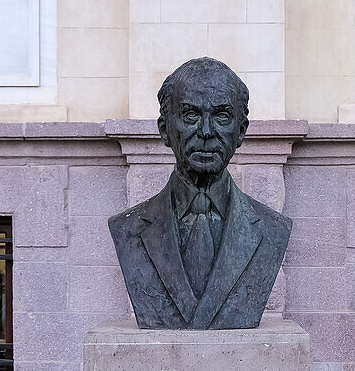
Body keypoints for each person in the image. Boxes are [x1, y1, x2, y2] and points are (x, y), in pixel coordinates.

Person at [108, 57, 292, 329]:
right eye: (191, 115)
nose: (206, 131)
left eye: (221, 116)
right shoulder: (128, 229)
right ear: (164, 130)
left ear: (240, 131)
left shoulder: (272, 229)